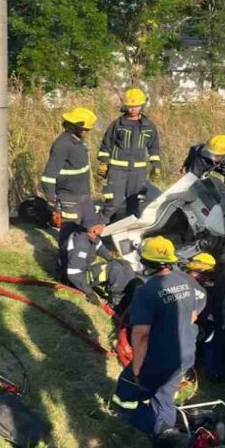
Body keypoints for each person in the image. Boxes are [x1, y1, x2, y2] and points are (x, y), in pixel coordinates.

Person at [111, 236, 207, 448]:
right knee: (163, 397)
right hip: (185, 354)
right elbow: (193, 315)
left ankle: (165, 436)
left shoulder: (147, 291)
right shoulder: (185, 281)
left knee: (123, 399)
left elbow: (141, 334)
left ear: (146, 262)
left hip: (159, 359)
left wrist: (137, 368)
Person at [41, 107, 104, 274]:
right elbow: (48, 176)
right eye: (85, 129)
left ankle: (84, 262)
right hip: (69, 197)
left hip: (83, 196)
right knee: (69, 234)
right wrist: (52, 202)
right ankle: (64, 268)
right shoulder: (62, 144)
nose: (87, 132)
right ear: (75, 126)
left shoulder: (77, 140)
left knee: (89, 229)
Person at [97, 88, 161, 221]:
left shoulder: (149, 126)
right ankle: (102, 226)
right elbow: (106, 145)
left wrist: (156, 165)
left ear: (142, 105)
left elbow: (154, 148)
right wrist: (104, 163)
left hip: (138, 171)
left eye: (136, 106)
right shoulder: (117, 124)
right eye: (130, 106)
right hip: (117, 170)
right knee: (114, 201)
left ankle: (130, 228)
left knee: (134, 202)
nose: (133, 109)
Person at [65, 226, 141, 313]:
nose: (104, 226)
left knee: (123, 266)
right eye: (102, 225)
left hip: (83, 271)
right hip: (77, 278)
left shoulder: (92, 238)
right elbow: (74, 274)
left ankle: (126, 300)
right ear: (95, 228)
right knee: (116, 269)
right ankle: (115, 305)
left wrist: (116, 260)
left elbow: (102, 251)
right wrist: (89, 293)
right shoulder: (81, 243)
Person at [183, 253, 225, 381]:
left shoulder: (179, 280)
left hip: (181, 327)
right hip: (193, 327)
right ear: (200, 271)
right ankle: (213, 373)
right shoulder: (202, 291)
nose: (207, 278)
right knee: (212, 337)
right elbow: (204, 316)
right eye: (207, 274)